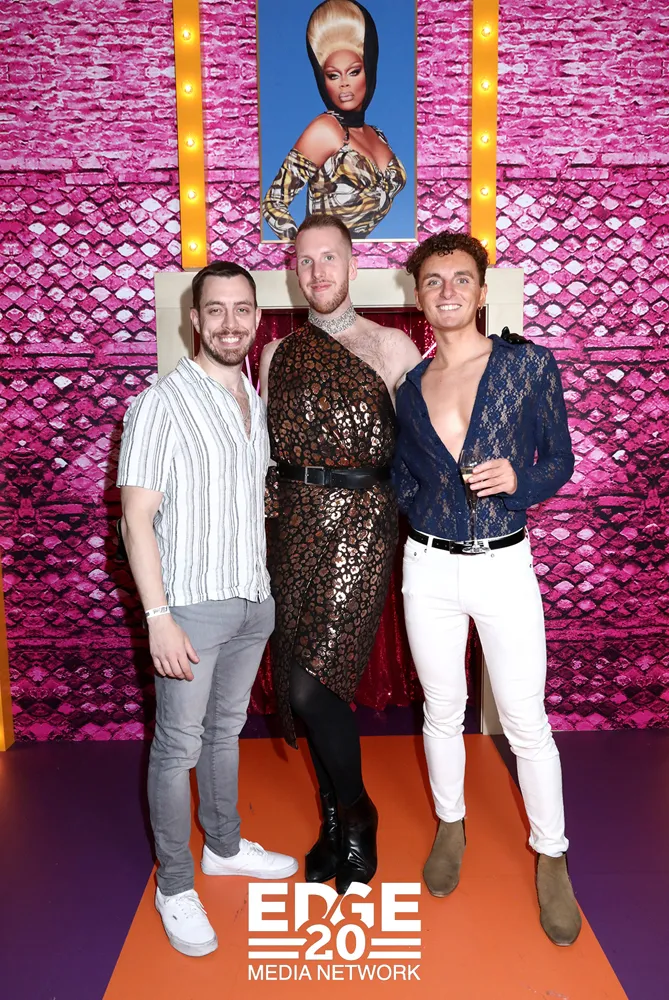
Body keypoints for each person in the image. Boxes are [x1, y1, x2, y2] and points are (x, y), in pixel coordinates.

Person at [393, 232, 581, 946]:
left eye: (460, 278)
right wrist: (422, 508)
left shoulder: (527, 365)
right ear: (418, 295)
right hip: (428, 568)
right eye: (433, 280)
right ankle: (451, 825)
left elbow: (559, 459)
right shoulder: (410, 387)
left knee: (525, 719)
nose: (447, 291)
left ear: (480, 290)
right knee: (441, 708)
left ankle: (552, 856)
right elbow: (402, 475)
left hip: (502, 565)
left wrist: (519, 480)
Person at [117, 261, 298, 958]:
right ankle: (174, 885)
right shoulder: (159, 403)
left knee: (226, 732)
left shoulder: (253, 399)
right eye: (215, 310)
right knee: (177, 748)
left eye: (241, 309)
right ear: (194, 319)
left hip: (253, 600)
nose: (229, 322)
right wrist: (158, 616)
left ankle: (222, 846)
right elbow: (136, 519)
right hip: (190, 607)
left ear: (257, 318)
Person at [259, 213, 421, 893]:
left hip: (361, 524)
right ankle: (330, 822)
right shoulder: (276, 354)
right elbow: (263, 457)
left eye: (329, 258)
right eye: (305, 261)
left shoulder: (391, 347)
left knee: (311, 686)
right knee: (301, 689)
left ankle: (357, 812)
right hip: (291, 526)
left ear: (353, 265)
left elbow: (424, 448)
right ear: (294, 273)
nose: (317, 271)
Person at [262, 0, 406, 241]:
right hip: (328, 259)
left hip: (369, 258)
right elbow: (273, 203)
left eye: (354, 71)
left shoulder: (377, 134)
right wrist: (307, 250)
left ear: (369, 70)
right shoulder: (326, 129)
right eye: (332, 75)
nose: (344, 84)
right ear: (323, 80)